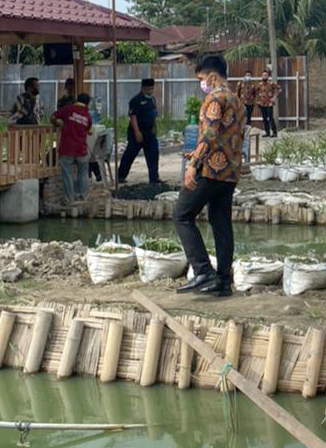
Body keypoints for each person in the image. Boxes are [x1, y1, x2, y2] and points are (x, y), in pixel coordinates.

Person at [174, 55, 243, 298]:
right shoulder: (235, 98)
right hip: (230, 172)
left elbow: (211, 134)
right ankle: (224, 281)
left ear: (212, 76)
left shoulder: (214, 97)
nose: (201, 84)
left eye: (202, 79)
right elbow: (226, 136)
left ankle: (202, 270)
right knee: (221, 223)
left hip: (210, 169)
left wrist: (193, 163)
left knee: (182, 215)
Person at [51, 93, 93, 204]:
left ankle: (69, 199)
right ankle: (82, 197)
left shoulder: (67, 110)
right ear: (87, 103)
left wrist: (57, 123)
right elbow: (89, 130)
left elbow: (53, 117)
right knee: (83, 173)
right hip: (81, 149)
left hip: (67, 148)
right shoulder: (88, 115)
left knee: (67, 174)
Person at [118, 78, 160, 185]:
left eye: (152, 88)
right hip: (137, 132)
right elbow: (133, 117)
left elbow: (154, 114)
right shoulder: (135, 100)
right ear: (143, 88)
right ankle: (121, 176)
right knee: (130, 154)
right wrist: (137, 132)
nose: (150, 91)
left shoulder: (152, 99)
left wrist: (155, 127)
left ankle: (154, 178)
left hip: (149, 132)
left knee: (153, 154)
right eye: (148, 89)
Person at [255, 70, 281, 137]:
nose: (264, 76)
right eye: (263, 75)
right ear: (261, 76)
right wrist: (258, 100)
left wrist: (274, 97)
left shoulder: (271, 83)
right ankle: (267, 132)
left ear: (268, 76)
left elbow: (279, 89)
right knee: (264, 118)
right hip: (262, 103)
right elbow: (255, 92)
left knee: (270, 118)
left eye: (266, 75)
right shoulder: (259, 85)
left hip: (269, 103)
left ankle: (274, 132)